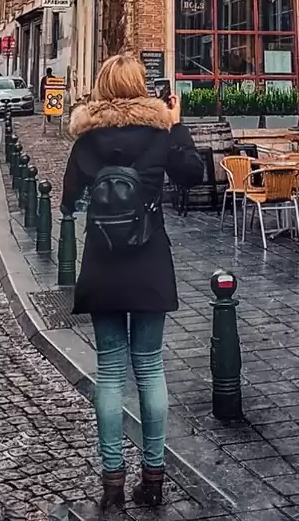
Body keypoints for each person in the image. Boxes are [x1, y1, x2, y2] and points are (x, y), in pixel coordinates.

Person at [62, 54, 204, 511]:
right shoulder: (160, 133)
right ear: (142, 86)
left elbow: (67, 201)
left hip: (104, 262)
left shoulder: (87, 138)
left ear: (103, 85)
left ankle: (111, 484)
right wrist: (176, 125)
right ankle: (155, 478)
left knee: (109, 374)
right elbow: (193, 173)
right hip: (148, 260)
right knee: (149, 368)